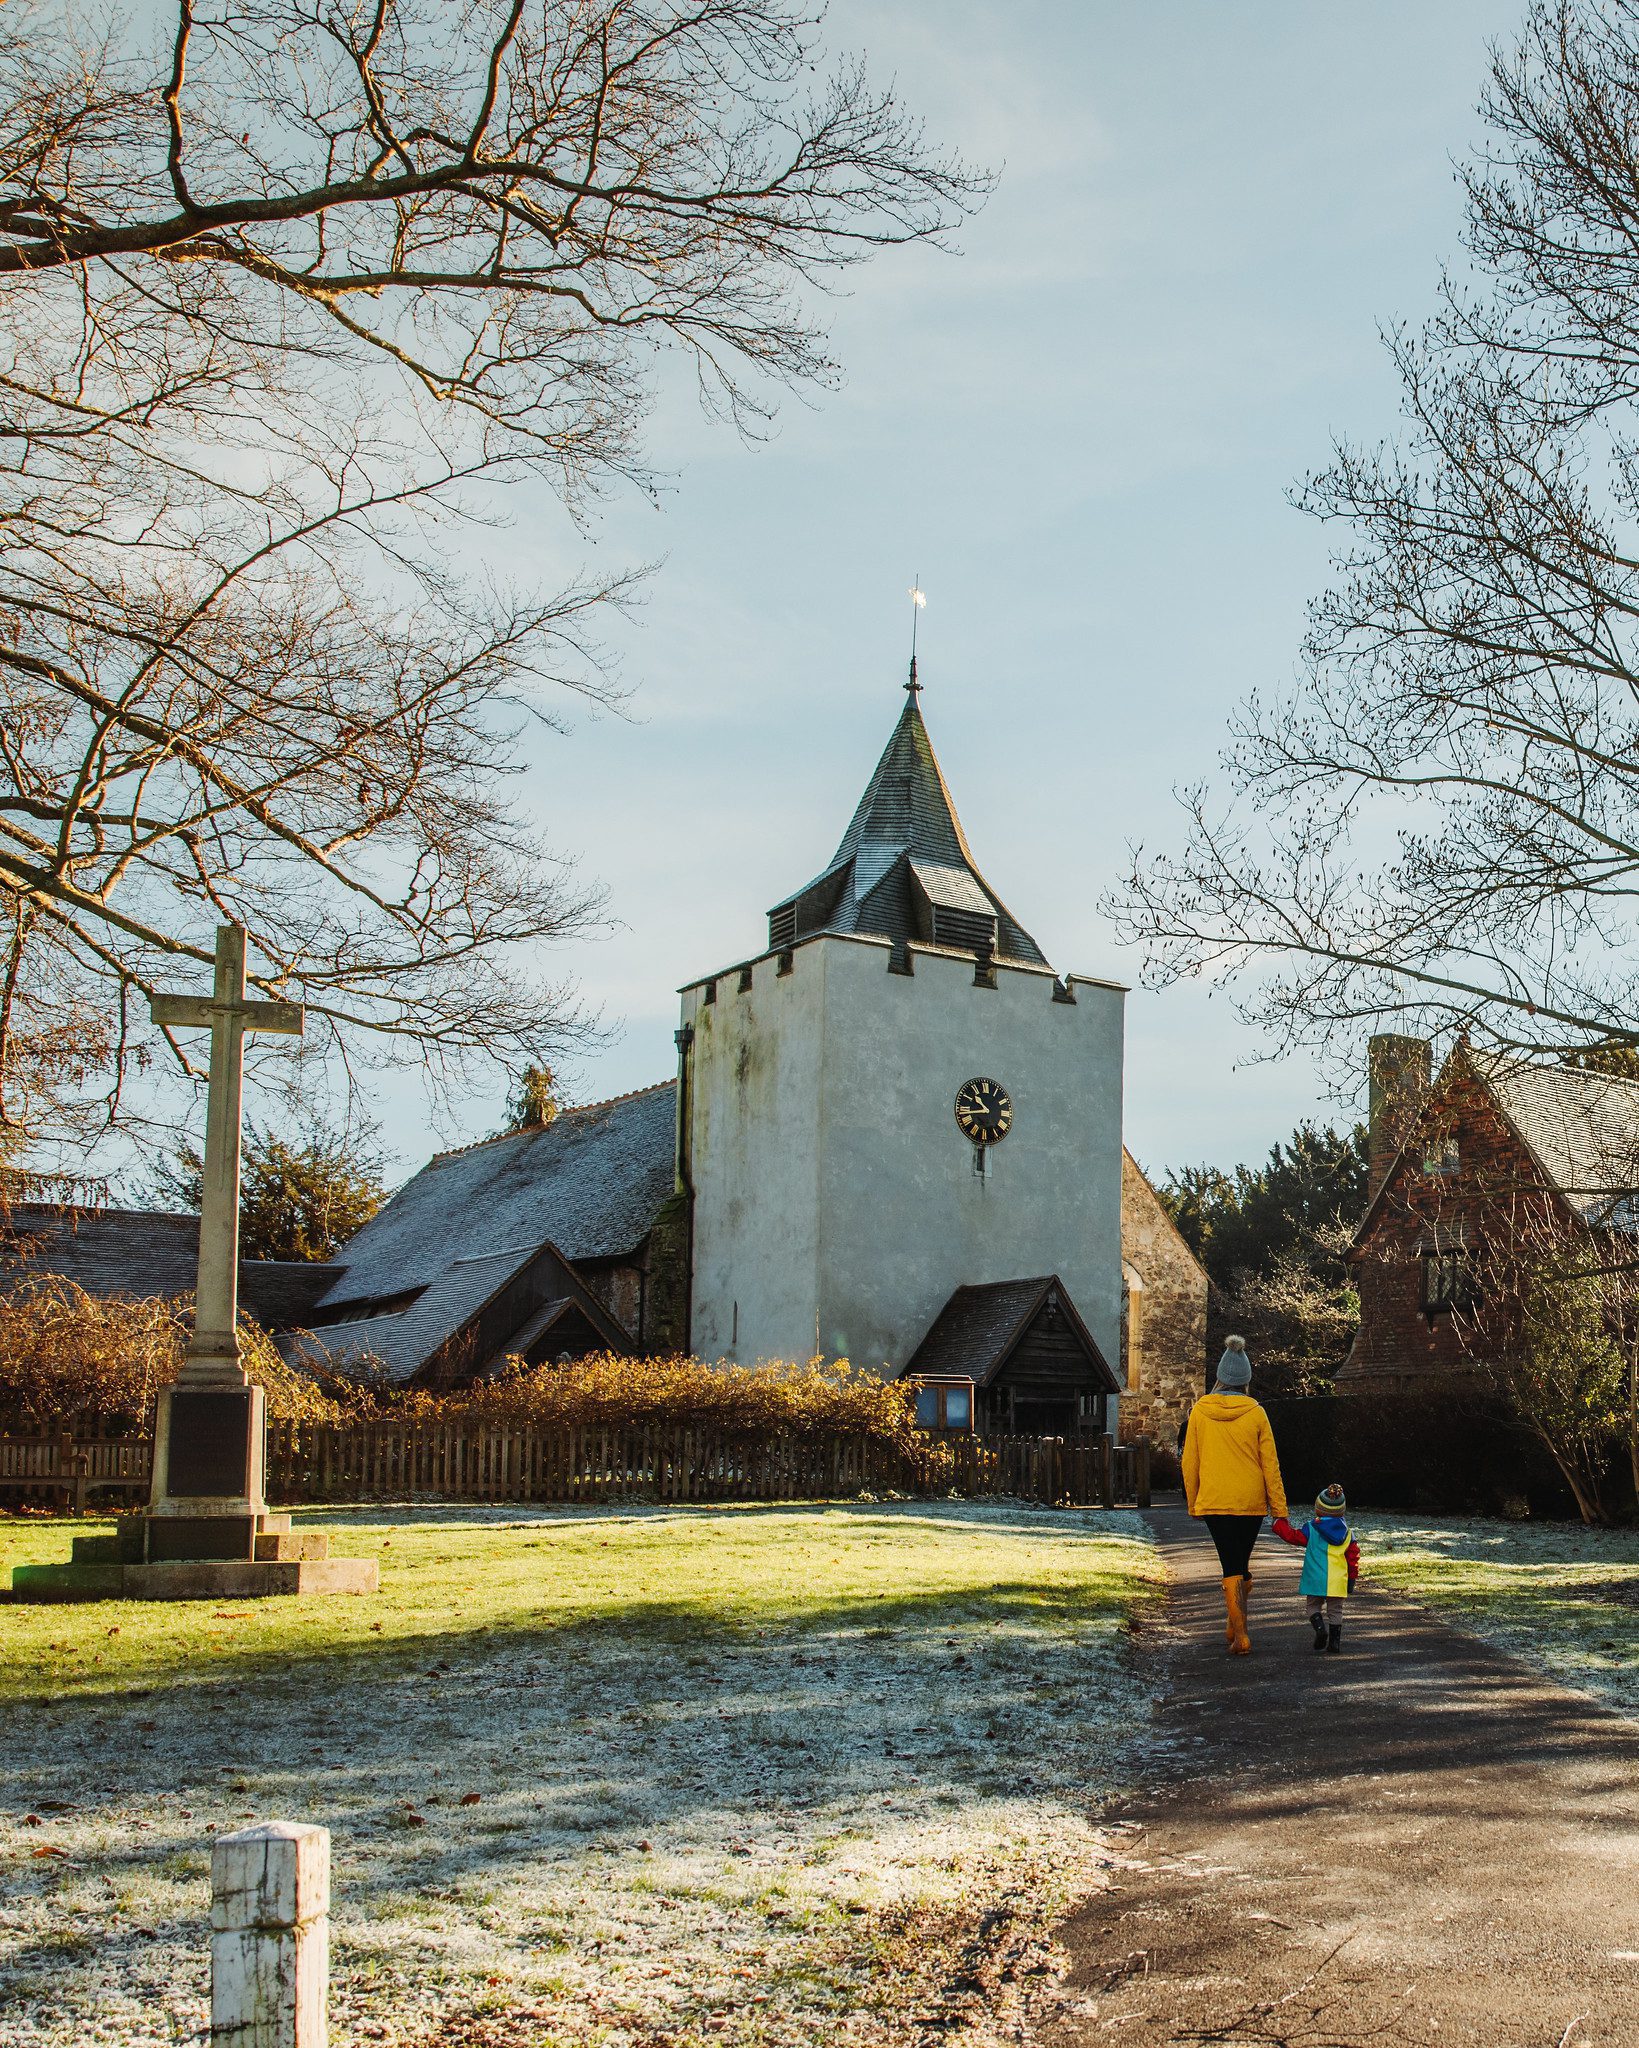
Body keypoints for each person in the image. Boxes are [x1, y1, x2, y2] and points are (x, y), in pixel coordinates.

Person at [1180, 1336, 1288, 1655]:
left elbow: (1190, 1462)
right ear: (1246, 1381)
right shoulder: (1256, 1413)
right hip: (1250, 1502)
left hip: (1215, 1501)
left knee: (1232, 1564)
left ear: (1220, 1377)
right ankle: (1236, 1622)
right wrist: (1279, 1509)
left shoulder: (1200, 1412)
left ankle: (1239, 1632)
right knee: (1239, 1563)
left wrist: (1193, 1502)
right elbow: (1271, 1464)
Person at [1273, 1483, 1359, 1654]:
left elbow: (1293, 1536)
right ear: (1342, 1510)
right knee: (1336, 1611)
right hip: (1337, 1580)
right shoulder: (1349, 1534)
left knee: (1313, 1606)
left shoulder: (1311, 1529)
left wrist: (1279, 1524)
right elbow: (1353, 1558)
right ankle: (1334, 1643)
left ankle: (1320, 1630)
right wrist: (1351, 1579)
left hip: (1315, 1578)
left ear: (1318, 1508)